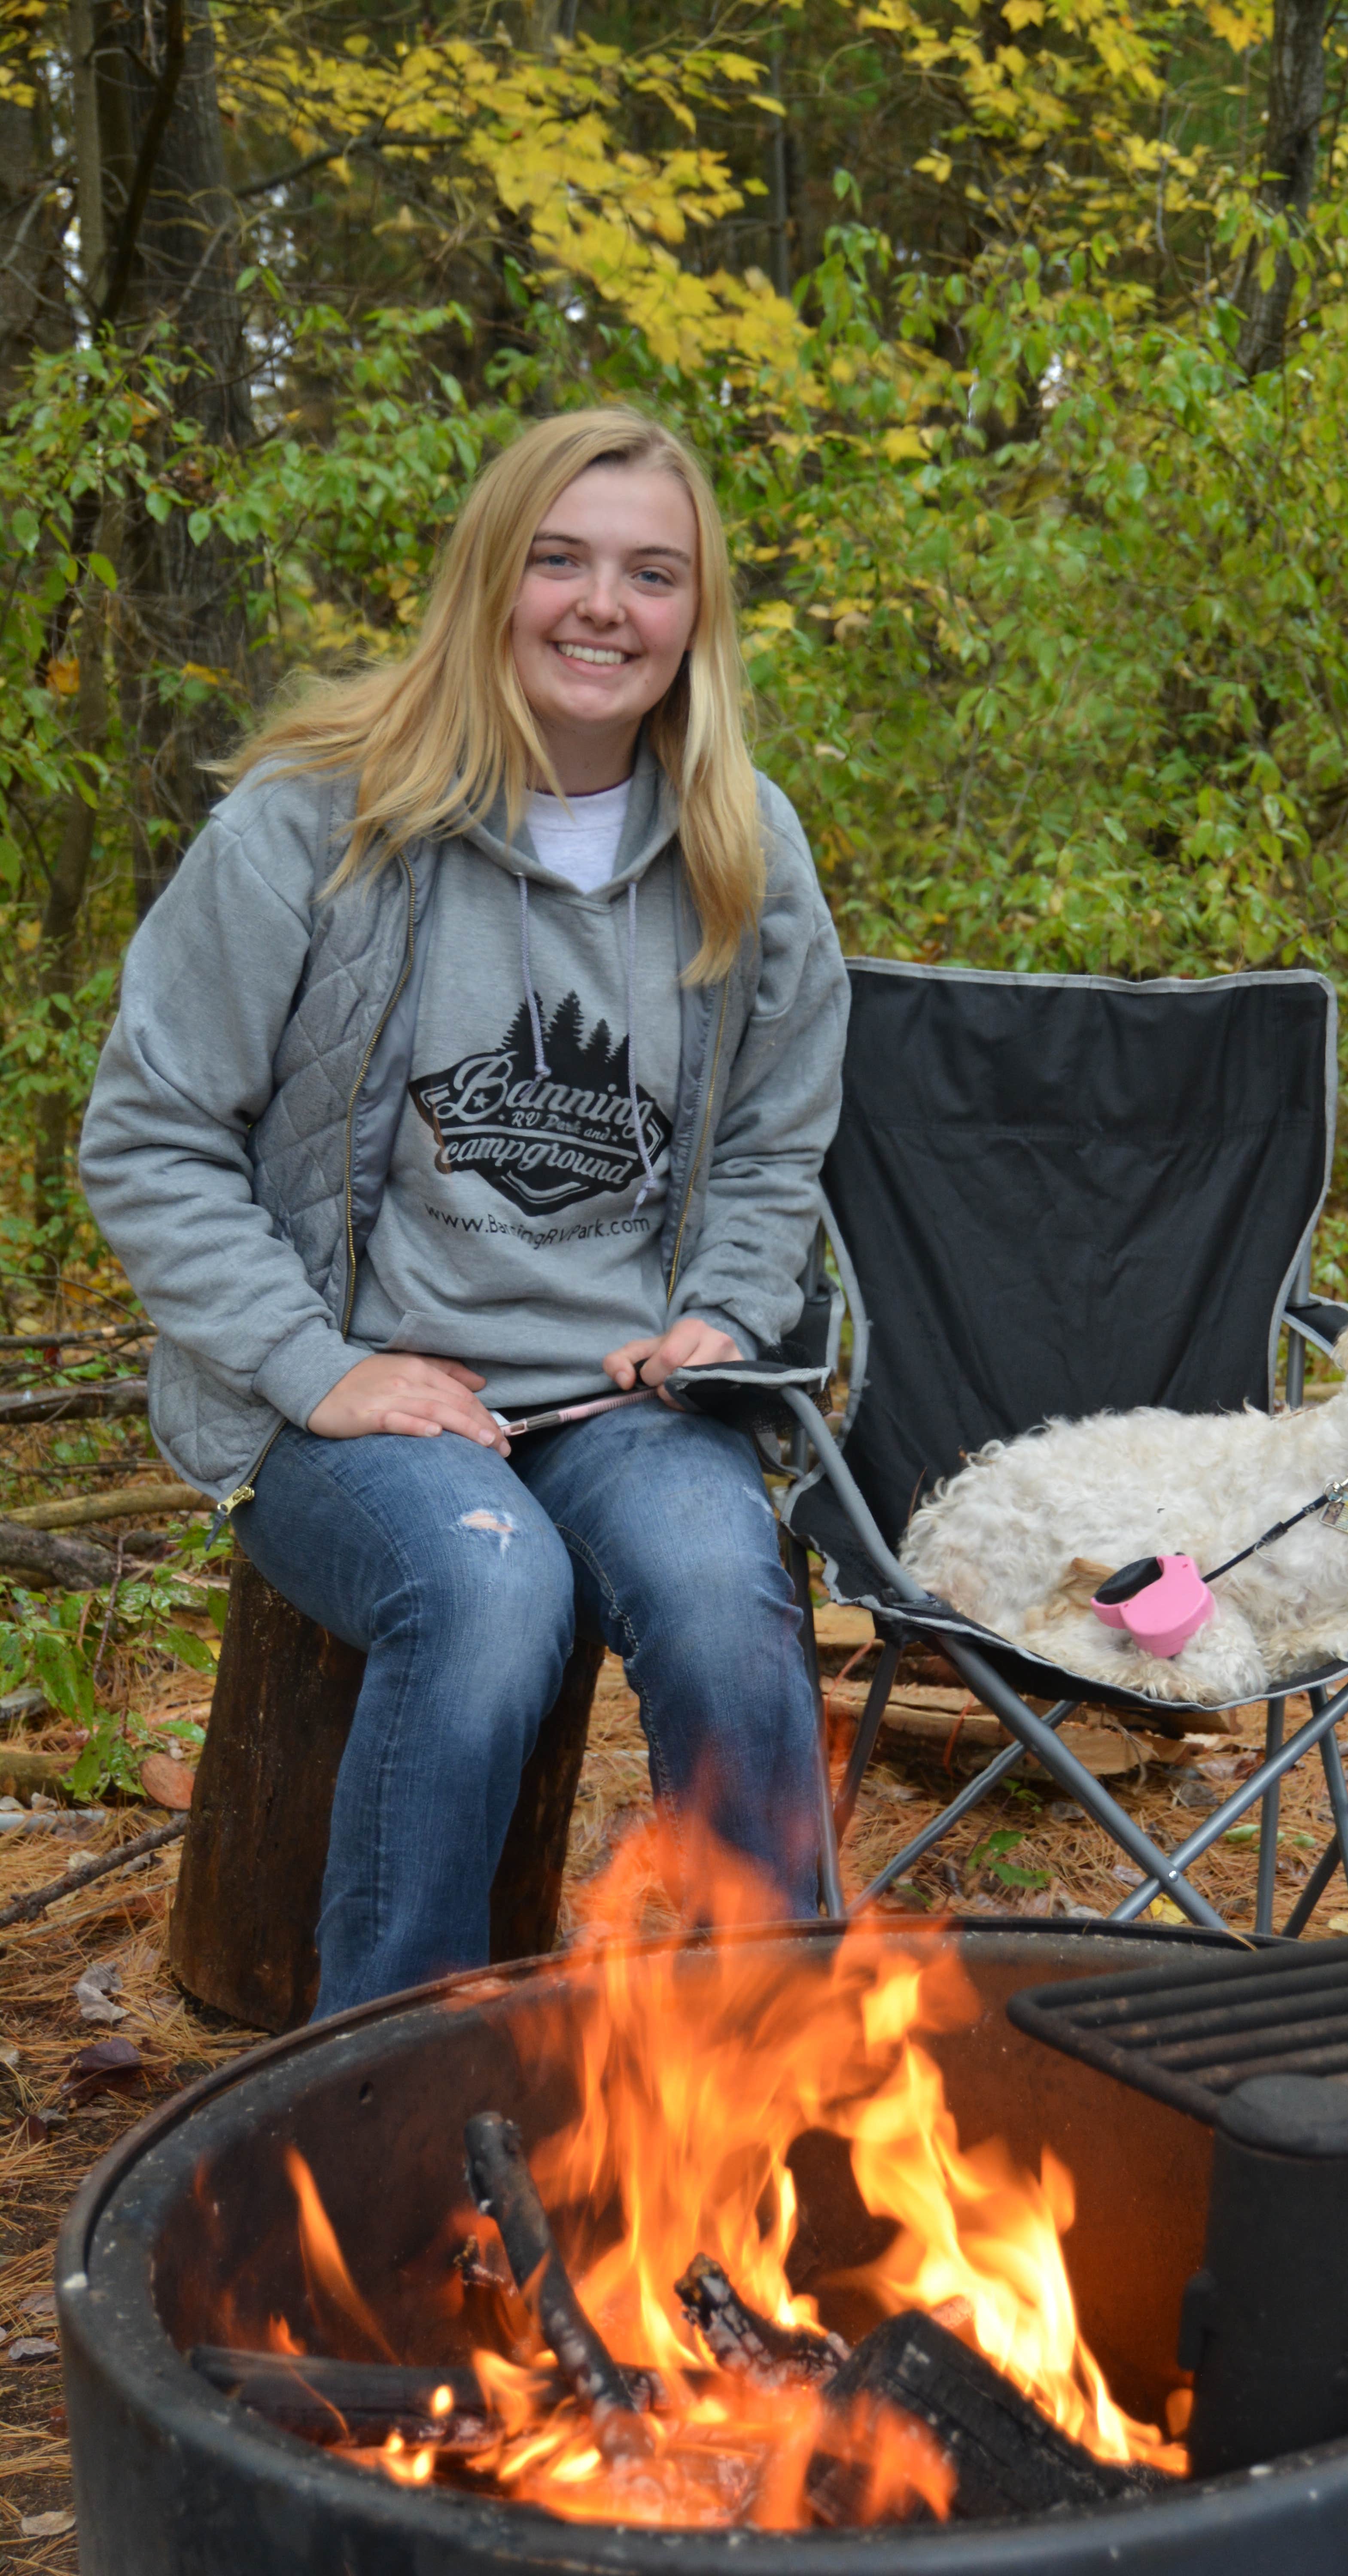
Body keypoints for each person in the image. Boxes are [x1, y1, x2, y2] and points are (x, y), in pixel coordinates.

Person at [80, 405, 849, 2015]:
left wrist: (724, 1307)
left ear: (696, 614)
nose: (602, 607)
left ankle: (778, 2080)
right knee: (491, 1594)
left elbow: (780, 1147)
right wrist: (318, 1367)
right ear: (490, 576)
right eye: (559, 560)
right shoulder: (313, 821)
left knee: (726, 1598)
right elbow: (150, 1138)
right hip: (360, 1405)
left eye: (652, 573)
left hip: (623, 1393)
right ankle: (386, 2086)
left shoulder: (742, 845)